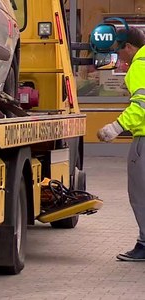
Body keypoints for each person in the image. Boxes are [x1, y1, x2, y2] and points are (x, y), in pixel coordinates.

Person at [97, 26, 145, 261]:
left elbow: (141, 106)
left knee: (140, 193)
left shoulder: (140, 65)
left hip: (144, 140)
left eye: (119, 50)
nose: (117, 56)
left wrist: (115, 127)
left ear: (128, 47)